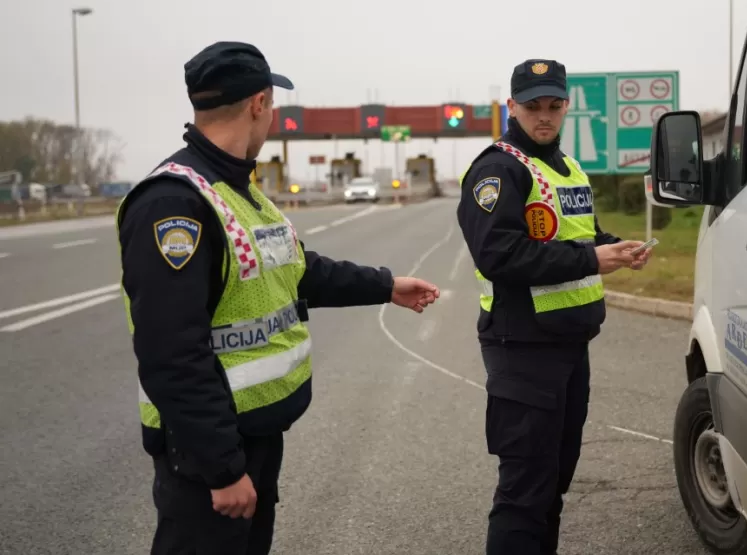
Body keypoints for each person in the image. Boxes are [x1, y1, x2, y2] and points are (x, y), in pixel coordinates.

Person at [116, 41, 440, 555]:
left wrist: (385, 285)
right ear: (259, 103)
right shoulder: (175, 203)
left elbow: (294, 269)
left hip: (254, 433)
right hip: (209, 455)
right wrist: (221, 468)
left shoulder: (239, 189)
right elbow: (170, 353)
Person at [456, 59, 653, 555]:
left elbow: (577, 237)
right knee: (524, 494)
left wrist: (615, 247)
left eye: (554, 105)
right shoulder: (498, 169)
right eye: (532, 106)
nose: (544, 116)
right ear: (512, 107)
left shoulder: (566, 167)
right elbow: (498, 253)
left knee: (552, 488)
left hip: (567, 346)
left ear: (567, 106)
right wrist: (592, 258)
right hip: (522, 348)